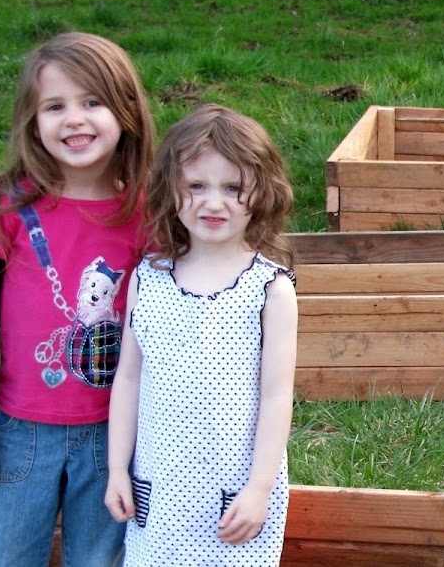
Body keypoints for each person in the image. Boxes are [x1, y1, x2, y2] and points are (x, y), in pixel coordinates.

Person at [0, 31, 155, 565]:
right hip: (23, 431)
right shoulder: (5, 204)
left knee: (98, 558)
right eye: (55, 106)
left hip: (116, 432)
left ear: (127, 111)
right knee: (7, 555)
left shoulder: (148, 211)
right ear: (32, 121)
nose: (75, 119)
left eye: (93, 102)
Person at [104, 104, 298, 565]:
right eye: (197, 186)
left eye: (232, 188)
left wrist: (258, 488)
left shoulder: (269, 288)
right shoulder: (146, 278)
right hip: (159, 489)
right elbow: (128, 379)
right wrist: (117, 470)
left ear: (262, 192)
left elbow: (276, 396)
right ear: (171, 191)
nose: (214, 202)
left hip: (234, 498)